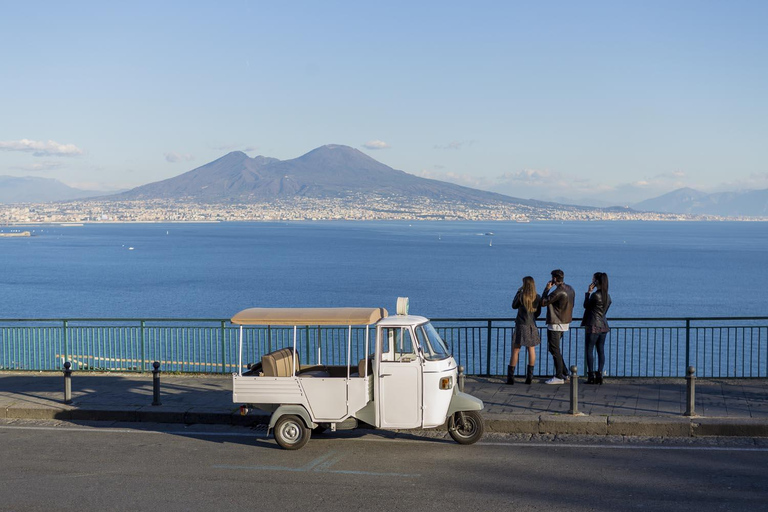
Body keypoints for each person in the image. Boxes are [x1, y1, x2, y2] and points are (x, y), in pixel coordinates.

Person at [540, 269, 575, 385]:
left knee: (554, 349)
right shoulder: (570, 289)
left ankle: (559, 376)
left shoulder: (557, 292)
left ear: (554, 279)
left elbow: (543, 302)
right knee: (554, 349)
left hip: (556, 324)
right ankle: (565, 373)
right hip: (565, 323)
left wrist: (546, 289)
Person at [508, 276, 541, 385]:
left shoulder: (521, 296)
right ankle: (529, 378)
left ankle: (510, 378)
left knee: (515, 350)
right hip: (532, 325)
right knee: (531, 350)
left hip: (521, 325)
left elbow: (513, 306)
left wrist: (518, 292)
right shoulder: (537, 297)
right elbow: (538, 313)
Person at [582, 272, 612, 385]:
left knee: (589, 350)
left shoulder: (595, 295)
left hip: (594, 325)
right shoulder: (607, 296)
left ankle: (590, 376)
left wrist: (588, 292)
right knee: (601, 350)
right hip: (604, 326)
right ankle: (599, 375)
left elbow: (586, 305)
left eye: (593, 279)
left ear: (596, 282)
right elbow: (604, 312)